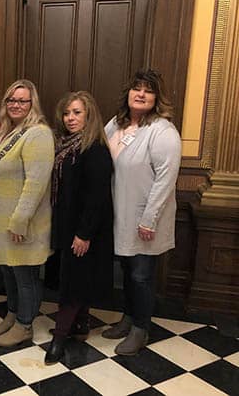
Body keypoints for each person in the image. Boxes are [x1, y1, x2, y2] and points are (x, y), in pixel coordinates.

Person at [101, 69, 181, 355]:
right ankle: (127, 318)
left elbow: (165, 180)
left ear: (157, 97)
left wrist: (149, 219)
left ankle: (140, 328)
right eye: (137, 88)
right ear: (128, 94)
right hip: (119, 215)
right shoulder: (114, 124)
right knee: (126, 270)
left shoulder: (163, 132)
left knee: (141, 275)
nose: (141, 94)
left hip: (146, 219)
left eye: (148, 90)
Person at [0, 79, 54, 347]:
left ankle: (25, 325)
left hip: (23, 222)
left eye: (22, 100)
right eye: (11, 100)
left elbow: (36, 183)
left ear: (32, 104)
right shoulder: (6, 132)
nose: (16, 105)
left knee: (25, 276)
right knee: (9, 273)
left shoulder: (38, 134)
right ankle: (12, 315)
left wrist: (20, 221)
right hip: (1, 220)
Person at [44, 91, 114, 364]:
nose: (70, 118)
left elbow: (97, 197)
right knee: (76, 277)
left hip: (86, 230)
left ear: (90, 116)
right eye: (67, 113)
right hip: (68, 224)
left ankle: (59, 338)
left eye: (77, 113)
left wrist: (84, 234)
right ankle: (81, 326)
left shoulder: (94, 149)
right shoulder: (66, 145)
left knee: (72, 283)